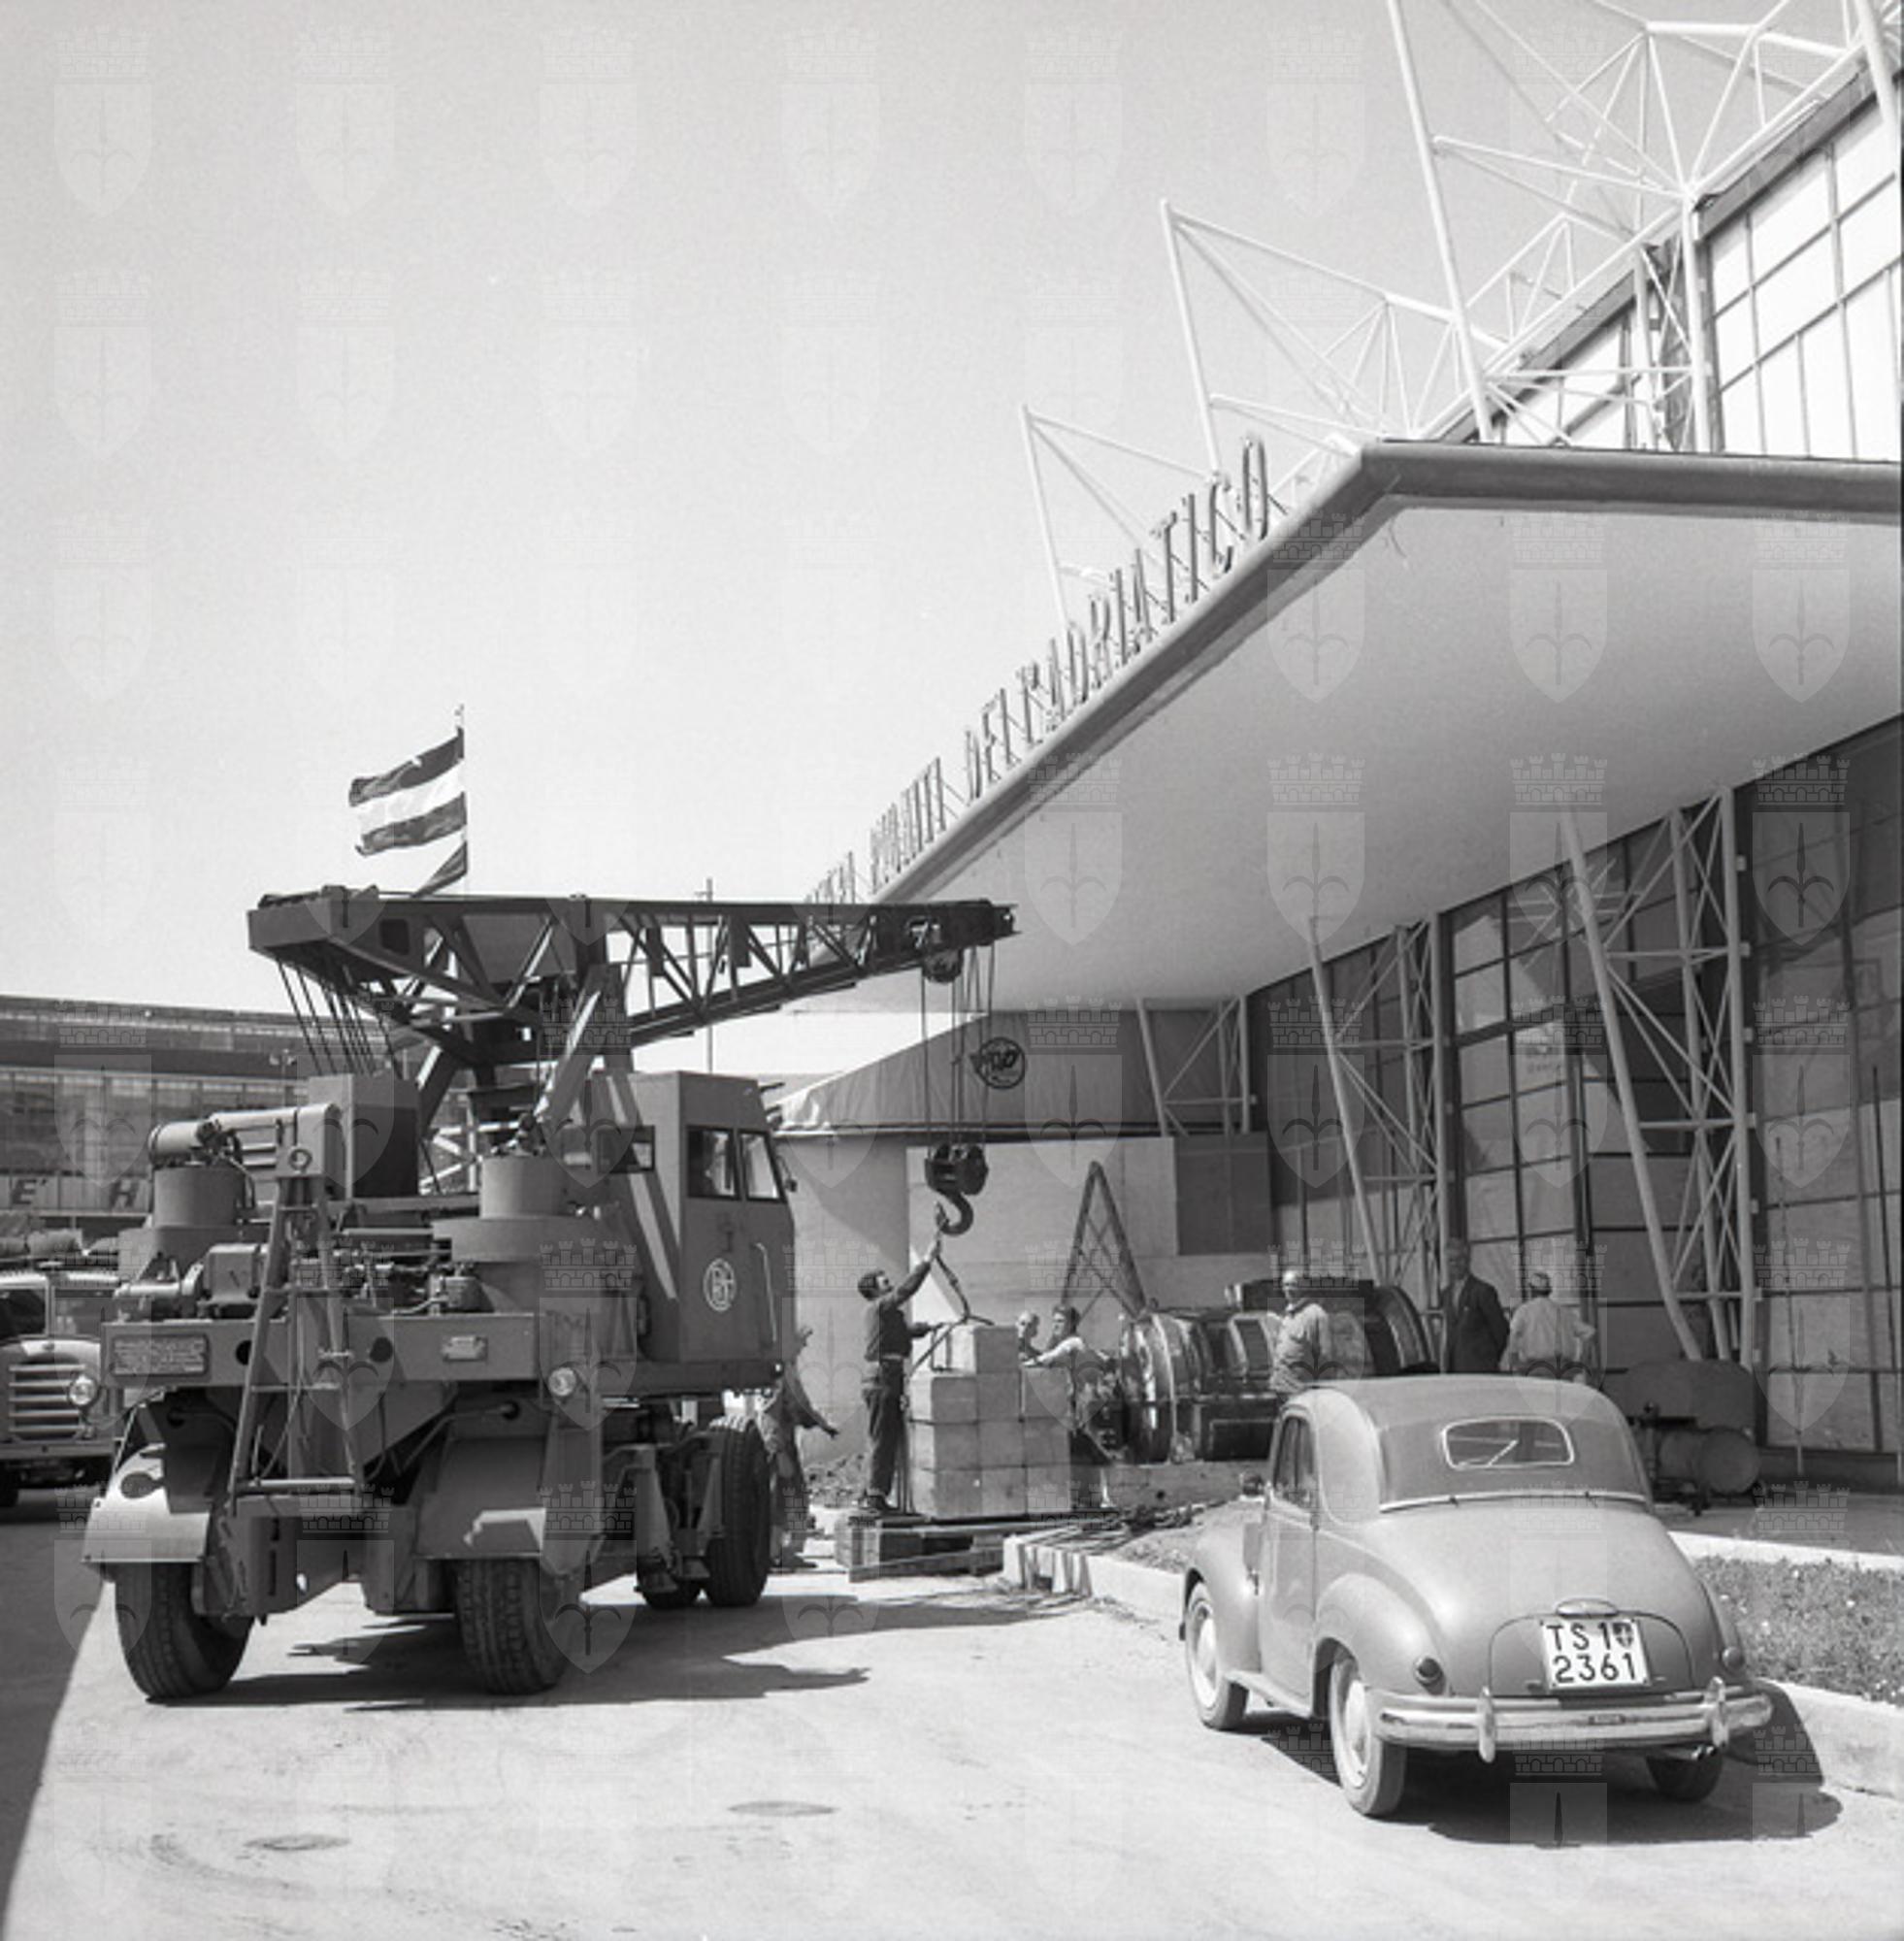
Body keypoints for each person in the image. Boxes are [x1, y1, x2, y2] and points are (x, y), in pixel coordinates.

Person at [857, 1234, 941, 1511]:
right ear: (874, 1289)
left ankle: (870, 1493)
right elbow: (906, 1290)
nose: (888, 1280)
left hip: (885, 1377)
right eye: (882, 1279)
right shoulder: (880, 1306)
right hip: (883, 1378)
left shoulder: (885, 1314)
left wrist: (927, 1328)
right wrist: (927, 1260)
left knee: (882, 1435)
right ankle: (874, 1496)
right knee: (883, 1436)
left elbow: (902, 1333)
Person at [761, 1325, 837, 1568]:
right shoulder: (781, 1372)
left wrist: (821, 1424)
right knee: (786, 1500)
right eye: (801, 1342)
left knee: (789, 1499)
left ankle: (782, 1552)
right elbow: (782, 1411)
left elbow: (798, 1407)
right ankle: (779, 1553)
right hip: (779, 1444)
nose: (804, 1346)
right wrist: (778, 1450)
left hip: (783, 1442)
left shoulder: (784, 1369)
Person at [1499, 1270, 1597, 1381]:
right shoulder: (1564, 1312)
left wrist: (1516, 1363)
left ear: (1531, 1290)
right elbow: (1590, 1333)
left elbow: (1513, 1336)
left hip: (1536, 1368)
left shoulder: (1524, 1311)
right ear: (1549, 1291)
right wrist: (1581, 1363)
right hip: (1564, 1368)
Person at [1440, 1238, 1507, 1374]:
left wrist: (1488, 1356)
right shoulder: (1446, 1294)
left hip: (1481, 1369)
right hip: (1455, 1370)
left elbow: (1501, 1330)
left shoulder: (1483, 1291)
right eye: (1451, 1260)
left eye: (1459, 1259)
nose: (1455, 1264)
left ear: (1468, 1260)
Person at [1269, 1296, 1333, 1399]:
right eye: (1285, 1287)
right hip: (1282, 1387)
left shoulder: (1316, 1315)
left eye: (1293, 1288)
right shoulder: (1288, 1315)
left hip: (1300, 1390)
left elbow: (1325, 1356)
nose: (1288, 1290)